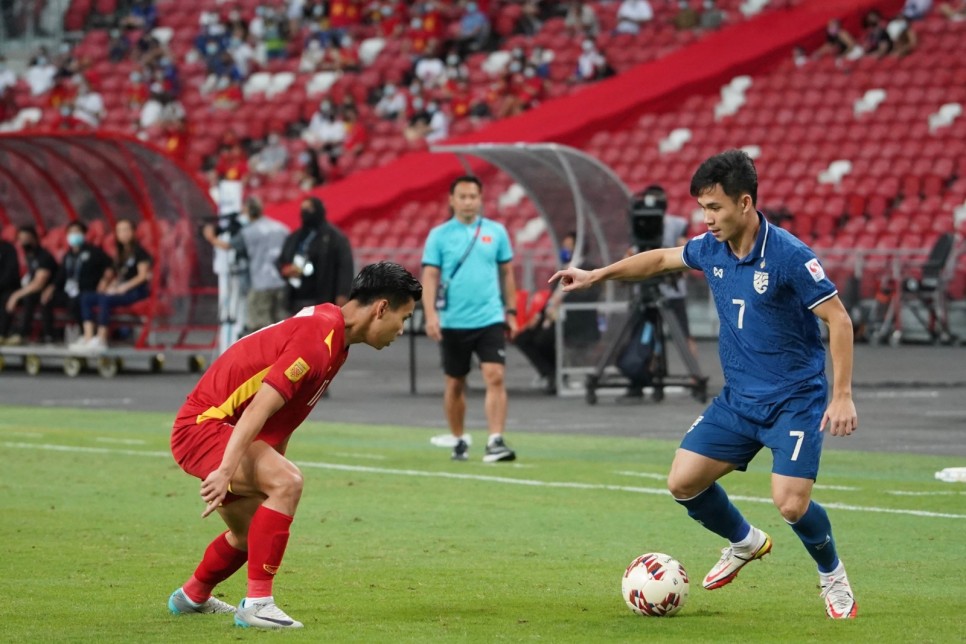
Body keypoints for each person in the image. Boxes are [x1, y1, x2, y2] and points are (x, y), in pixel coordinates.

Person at [550, 150, 859, 619]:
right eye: (702, 209)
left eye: (714, 208)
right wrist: (597, 274)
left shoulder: (790, 257)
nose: (706, 219)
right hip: (739, 401)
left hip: (795, 400)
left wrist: (841, 396)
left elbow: (838, 320)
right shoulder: (712, 248)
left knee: (792, 505)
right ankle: (745, 542)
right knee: (683, 482)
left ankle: (832, 576)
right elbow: (658, 261)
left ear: (745, 203)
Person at [167, 262, 422, 629]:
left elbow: (282, 416)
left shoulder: (332, 334)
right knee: (288, 483)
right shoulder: (318, 337)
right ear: (381, 308)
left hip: (226, 429)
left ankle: (192, 596)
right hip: (206, 427)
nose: (402, 329)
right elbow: (260, 407)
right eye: (404, 317)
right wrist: (225, 470)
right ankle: (257, 605)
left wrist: (268, 463)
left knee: (251, 532)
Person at [421, 175, 519, 462]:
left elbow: (507, 273)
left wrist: (510, 311)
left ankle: (495, 440)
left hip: (489, 316)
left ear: (480, 199)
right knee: (455, 382)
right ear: (452, 200)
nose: (468, 202)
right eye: (462, 197)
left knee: (495, 375)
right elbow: (429, 276)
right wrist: (430, 315)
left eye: (473, 196)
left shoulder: (496, 232)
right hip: (453, 320)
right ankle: (459, 437)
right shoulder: (439, 235)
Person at [71, 218, 152, 351]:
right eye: (120, 230)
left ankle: (102, 338)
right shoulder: (120, 254)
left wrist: (123, 287)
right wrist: (111, 285)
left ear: (133, 232)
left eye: (126, 230)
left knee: (105, 299)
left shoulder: (140, 252)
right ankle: (88, 337)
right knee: (86, 297)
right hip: (120, 290)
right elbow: (118, 275)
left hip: (135, 292)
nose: (123, 233)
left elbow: (142, 276)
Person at [40, 220, 113, 343]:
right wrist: (51, 287)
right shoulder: (68, 255)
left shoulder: (94, 252)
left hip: (86, 290)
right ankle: (49, 335)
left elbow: (110, 266)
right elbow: (60, 275)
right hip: (69, 291)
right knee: (46, 300)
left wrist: (105, 280)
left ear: (84, 234)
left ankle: (87, 333)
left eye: (77, 232)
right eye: (71, 232)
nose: (74, 235)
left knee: (75, 303)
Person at [277, 197, 354, 313]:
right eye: (303, 209)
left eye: (309, 209)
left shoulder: (335, 237)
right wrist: (285, 269)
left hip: (323, 297)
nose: (305, 212)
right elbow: (281, 260)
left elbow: (345, 267)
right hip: (295, 297)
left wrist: (342, 294)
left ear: (319, 210)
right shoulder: (295, 237)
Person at [239, 197, 290, 332]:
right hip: (280, 282)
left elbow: (229, 246)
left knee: (259, 329)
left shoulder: (248, 231)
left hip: (260, 283)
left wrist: (211, 237)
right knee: (280, 326)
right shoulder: (281, 227)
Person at [0, 226, 57, 345]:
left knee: (26, 298)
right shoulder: (28, 256)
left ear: (35, 238)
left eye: (26, 239)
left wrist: (16, 295)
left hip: (50, 292)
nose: (23, 242)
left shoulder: (43, 256)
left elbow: (38, 284)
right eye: (20, 239)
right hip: (30, 289)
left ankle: (21, 334)